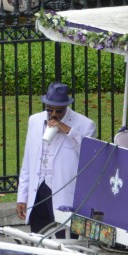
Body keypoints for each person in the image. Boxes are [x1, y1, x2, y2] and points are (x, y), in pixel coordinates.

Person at [16, 82, 97, 234]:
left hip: (64, 194)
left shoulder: (85, 125)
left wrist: (68, 131)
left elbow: (90, 156)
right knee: (39, 238)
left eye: (59, 111)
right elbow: (27, 161)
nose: (54, 114)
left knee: (63, 240)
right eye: (49, 110)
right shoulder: (34, 121)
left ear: (66, 106)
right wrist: (22, 196)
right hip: (39, 191)